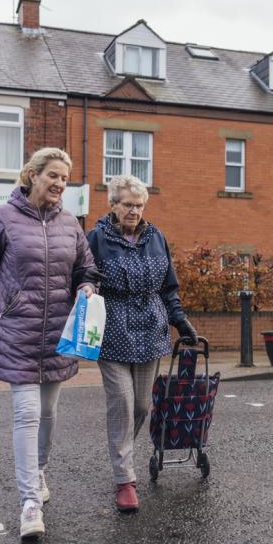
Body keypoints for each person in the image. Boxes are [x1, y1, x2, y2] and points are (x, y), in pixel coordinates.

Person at [0, 148, 99, 538]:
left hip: (59, 334)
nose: (60, 184)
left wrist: (88, 285)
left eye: (65, 178)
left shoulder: (71, 224)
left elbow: (85, 267)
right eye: (53, 176)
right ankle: (29, 502)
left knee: (48, 413)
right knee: (26, 413)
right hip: (18, 333)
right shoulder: (2, 219)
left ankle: (40, 470)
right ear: (32, 175)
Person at [87, 175, 197, 512]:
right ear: (113, 205)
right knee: (121, 402)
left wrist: (180, 321)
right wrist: (87, 287)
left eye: (139, 205)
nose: (134, 210)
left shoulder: (156, 238)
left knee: (140, 408)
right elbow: (84, 275)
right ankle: (125, 480)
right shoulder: (96, 238)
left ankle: (123, 457)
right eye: (127, 205)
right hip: (113, 330)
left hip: (151, 330)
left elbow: (168, 288)